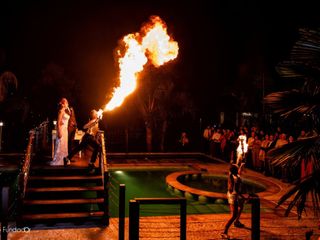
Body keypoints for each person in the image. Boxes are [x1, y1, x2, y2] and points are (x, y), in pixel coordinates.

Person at [221, 163, 246, 239]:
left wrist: (241, 166)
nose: (239, 168)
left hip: (232, 194)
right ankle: (224, 232)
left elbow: (238, 172)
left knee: (241, 206)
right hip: (234, 196)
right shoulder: (236, 179)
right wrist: (243, 197)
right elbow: (237, 190)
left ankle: (237, 222)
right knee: (234, 215)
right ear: (235, 171)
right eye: (237, 167)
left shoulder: (231, 175)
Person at [51, 98, 70, 166]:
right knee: (60, 144)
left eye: (67, 102)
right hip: (61, 129)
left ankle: (64, 159)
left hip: (65, 130)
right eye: (66, 103)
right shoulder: (61, 111)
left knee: (64, 145)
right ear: (63, 104)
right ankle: (59, 160)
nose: (67, 104)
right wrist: (59, 132)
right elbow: (58, 123)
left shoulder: (65, 111)